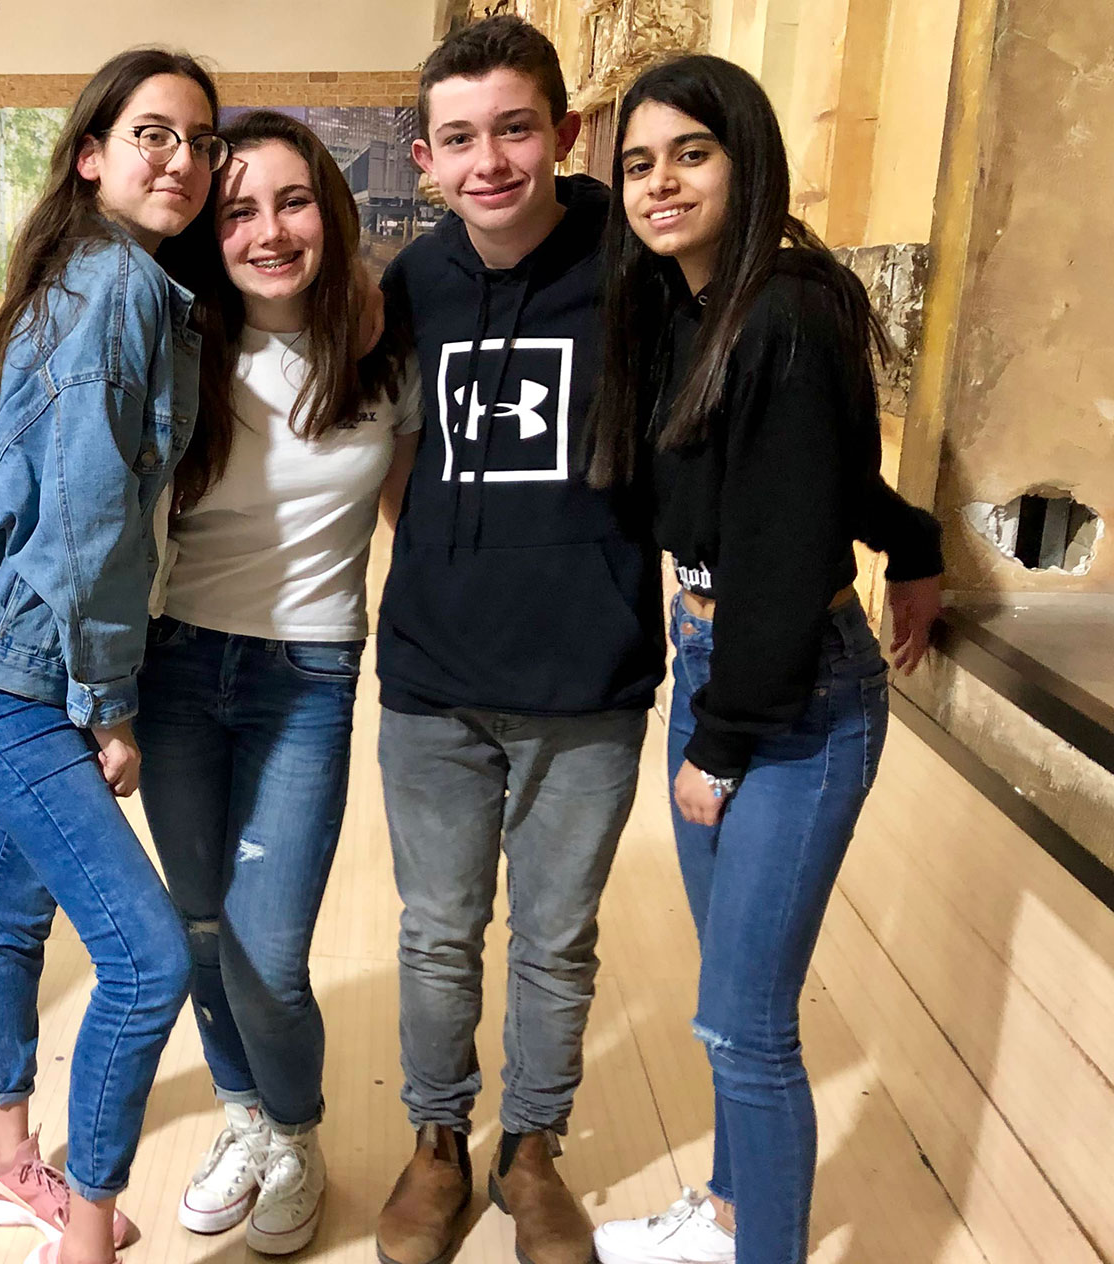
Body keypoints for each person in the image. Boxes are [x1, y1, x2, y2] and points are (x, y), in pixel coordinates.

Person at [370, 19, 942, 1264]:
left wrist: (906, 535)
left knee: (560, 938)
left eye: (518, 128)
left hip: (603, 669)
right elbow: (383, 449)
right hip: (435, 673)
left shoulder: (642, 265)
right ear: (424, 157)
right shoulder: (412, 284)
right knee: (433, 928)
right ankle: (435, 1142)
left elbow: (788, 460)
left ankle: (532, 1153)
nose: (490, 161)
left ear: (564, 136)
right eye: (460, 139)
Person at [585, 55, 919, 1264]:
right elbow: (814, 474)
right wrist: (918, 535)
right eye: (637, 163)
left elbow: (784, 562)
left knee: (745, 1026)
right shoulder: (687, 304)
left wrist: (720, 745)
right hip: (713, 662)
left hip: (787, 696)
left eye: (692, 153)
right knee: (733, 1021)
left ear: (748, 158)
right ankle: (726, 1215)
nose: (660, 182)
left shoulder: (780, 307)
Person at [0, 47, 231, 1264]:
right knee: (148, 960)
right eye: (154, 134)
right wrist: (110, 709)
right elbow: (95, 525)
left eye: (201, 141)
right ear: (93, 153)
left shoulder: (101, 274)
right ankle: (87, 1236)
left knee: (8, 909)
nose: (185, 161)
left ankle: (1, 1157)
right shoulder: (114, 289)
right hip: (24, 681)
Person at [133, 109, 413, 1256]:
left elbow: (418, 521)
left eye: (291, 202)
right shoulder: (174, 343)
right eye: (238, 209)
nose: (267, 230)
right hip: (178, 665)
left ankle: (297, 1129)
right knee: (202, 931)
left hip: (309, 674)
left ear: (331, 214)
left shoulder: (385, 350)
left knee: (269, 948)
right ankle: (245, 1117)